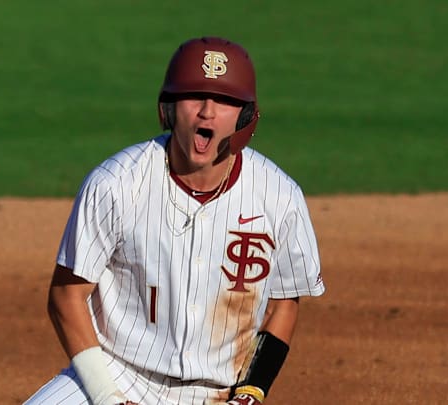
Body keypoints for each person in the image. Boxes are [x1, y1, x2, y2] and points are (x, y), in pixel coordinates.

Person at [23, 36, 325, 405]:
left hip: (217, 391)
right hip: (117, 373)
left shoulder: (279, 196)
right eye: (193, 96)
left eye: (225, 101)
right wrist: (107, 397)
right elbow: (66, 294)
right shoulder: (117, 183)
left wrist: (250, 394)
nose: (207, 112)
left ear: (246, 116)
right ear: (168, 108)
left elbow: (282, 304)